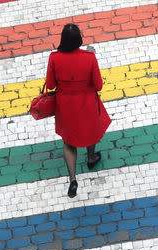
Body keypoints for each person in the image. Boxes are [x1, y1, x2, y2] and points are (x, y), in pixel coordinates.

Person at [45, 24, 111, 198]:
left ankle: (73, 179)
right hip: (86, 102)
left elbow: (50, 85)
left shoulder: (54, 58)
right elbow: (99, 85)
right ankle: (91, 158)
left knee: (69, 142)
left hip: (66, 105)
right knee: (90, 131)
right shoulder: (89, 57)